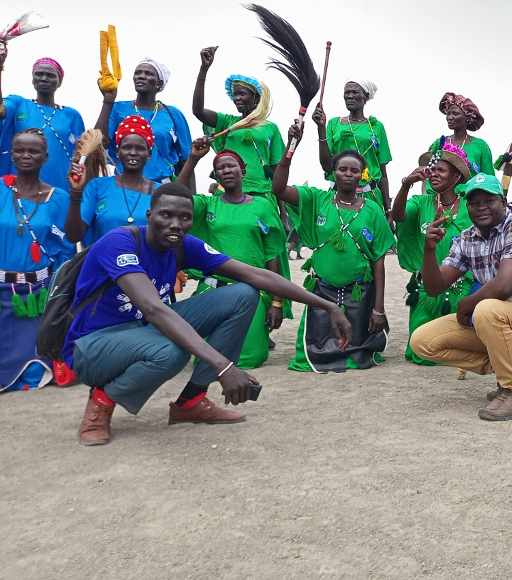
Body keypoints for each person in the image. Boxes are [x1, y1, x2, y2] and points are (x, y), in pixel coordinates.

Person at [65, 182, 352, 446]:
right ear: (149, 214)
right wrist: (223, 365)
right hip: (93, 347)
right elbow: (152, 307)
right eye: (165, 215)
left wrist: (327, 305)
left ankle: (190, 401)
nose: (175, 224)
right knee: (170, 352)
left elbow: (254, 274)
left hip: (140, 332)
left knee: (244, 293)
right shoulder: (120, 243)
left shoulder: (183, 245)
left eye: (185, 218)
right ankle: (100, 403)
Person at [409, 172, 512, 421]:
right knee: (422, 341)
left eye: (488, 200)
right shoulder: (467, 237)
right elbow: (434, 287)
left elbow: (504, 285)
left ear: (503, 202)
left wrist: (465, 305)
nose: (481, 207)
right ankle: (507, 367)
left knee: (486, 307)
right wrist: (429, 250)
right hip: (497, 325)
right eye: (473, 203)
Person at [272, 121, 395, 372]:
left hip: (361, 291)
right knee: (315, 353)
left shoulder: (372, 210)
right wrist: (290, 148)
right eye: (342, 169)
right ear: (333, 173)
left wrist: (379, 309)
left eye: (354, 170)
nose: (348, 174)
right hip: (322, 291)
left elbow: (379, 262)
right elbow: (278, 189)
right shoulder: (317, 199)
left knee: (360, 354)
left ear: (362, 175)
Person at [177, 138, 287, 369]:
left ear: (243, 171)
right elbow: (178, 195)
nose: (226, 170)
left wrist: (276, 302)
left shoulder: (263, 206)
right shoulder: (208, 205)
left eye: (231, 166)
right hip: (213, 288)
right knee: (206, 360)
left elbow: (272, 255)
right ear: (216, 176)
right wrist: (194, 158)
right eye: (220, 168)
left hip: (252, 291)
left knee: (251, 358)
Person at [0, 129, 74, 392]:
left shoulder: (60, 198)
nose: (26, 156)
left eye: (33, 151)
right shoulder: (0, 189)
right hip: (1, 292)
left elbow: (66, 250)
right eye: (19, 150)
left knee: (35, 368)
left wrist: (59, 294)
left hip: (37, 296)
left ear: (46, 157)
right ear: (11, 153)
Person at [392, 141, 473, 364]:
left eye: (441, 170)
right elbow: (398, 217)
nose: (434, 174)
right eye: (432, 169)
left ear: (456, 177)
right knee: (421, 352)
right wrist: (406, 185)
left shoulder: (469, 205)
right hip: (424, 287)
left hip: (460, 285)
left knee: (459, 346)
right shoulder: (420, 202)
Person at [190, 46, 285, 197]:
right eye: (234, 95)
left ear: (256, 98)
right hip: (226, 193)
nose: (236, 98)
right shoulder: (228, 121)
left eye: (242, 94)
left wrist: (283, 212)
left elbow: (276, 171)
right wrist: (204, 69)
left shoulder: (271, 128)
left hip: (260, 194)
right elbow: (198, 111)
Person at [94, 58, 194, 186]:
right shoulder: (118, 109)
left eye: (148, 73)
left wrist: (192, 200)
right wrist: (108, 100)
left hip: (162, 189)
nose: (141, 76)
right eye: (138, 73)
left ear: (159, 83)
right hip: (123, 186)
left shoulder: (173, 114)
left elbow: (186, 160)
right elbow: (98, 145)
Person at [65, 115, 158, 246]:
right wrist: (75, 192)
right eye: (127, 147)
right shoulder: (97, 186)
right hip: (103, 264)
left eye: (140, 148)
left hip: (144, 266)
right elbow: (74, 236)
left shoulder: (160, 192)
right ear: (118, 152)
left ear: (149, 154)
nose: (133, 152)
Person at [0, 54, 85, 191]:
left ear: (60, 81)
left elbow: (81, 154)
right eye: (39, 74)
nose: (44, 78)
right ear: (32, 79)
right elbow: (1, 111)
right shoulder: (19, 103)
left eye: (50, 75)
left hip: (59, 187)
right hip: (17, 187)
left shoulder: (71, 115)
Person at [311, 79, 393, 219]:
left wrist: (388, 210)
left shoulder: (376, 126)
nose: (349, 96)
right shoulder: (333, 124)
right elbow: (326, 166)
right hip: (338, 194)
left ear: (365, 96)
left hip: (370, 195)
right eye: (346, 93)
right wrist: (321, 128)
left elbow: (383, 173)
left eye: (355, 92)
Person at [428, 92, 494, 179]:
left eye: (455, 114)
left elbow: (489, 180)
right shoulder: (439, 143)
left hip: (471, 192)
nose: (449, 117)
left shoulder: (480, 146)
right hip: (439, 193)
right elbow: (427, 174)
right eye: (448, 113)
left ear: (468, 117)